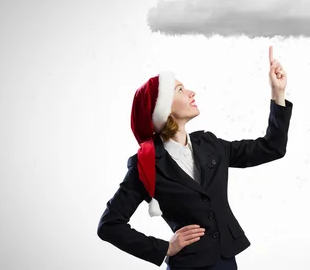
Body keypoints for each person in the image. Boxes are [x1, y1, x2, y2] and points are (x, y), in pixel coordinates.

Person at [97, 46, 293, 269]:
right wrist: (164, 248)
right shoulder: (146, 163)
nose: (191, 92)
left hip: (226, 261)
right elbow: (109, 225)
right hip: (188, 265)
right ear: (163, 109)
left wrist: (278, 94)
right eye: (180, 89)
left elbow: (271, 148)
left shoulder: (209, 144)